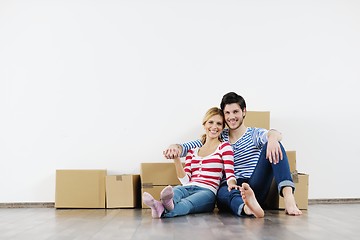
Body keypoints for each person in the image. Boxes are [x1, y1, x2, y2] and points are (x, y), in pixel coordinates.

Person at [163, 92, 302, 217]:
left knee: (275, 145)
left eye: (235, 112)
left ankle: (289, 199)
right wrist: (174, 147)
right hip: (229, 186)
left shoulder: (254, 134)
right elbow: (189, 146)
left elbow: (276, 134)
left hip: (253, 184)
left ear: (244, 112)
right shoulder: (218, 135)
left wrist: (272, 138)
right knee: (223, 193)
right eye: (227, 113)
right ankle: (247, 208)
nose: (231, 117)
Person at [143, 107, 240, 218]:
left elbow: (230, 173)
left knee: (187, 204)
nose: (214, 127)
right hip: (188, 187)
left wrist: (232, 185)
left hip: (207, 191)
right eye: (211, 122)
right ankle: (163, 206)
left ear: (222, 128)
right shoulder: (192, 152)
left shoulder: (224, 147)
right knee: (176, 190)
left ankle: (158, 207)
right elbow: (185, 181)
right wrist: (176, 159)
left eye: (219, 124)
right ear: (204, 125)